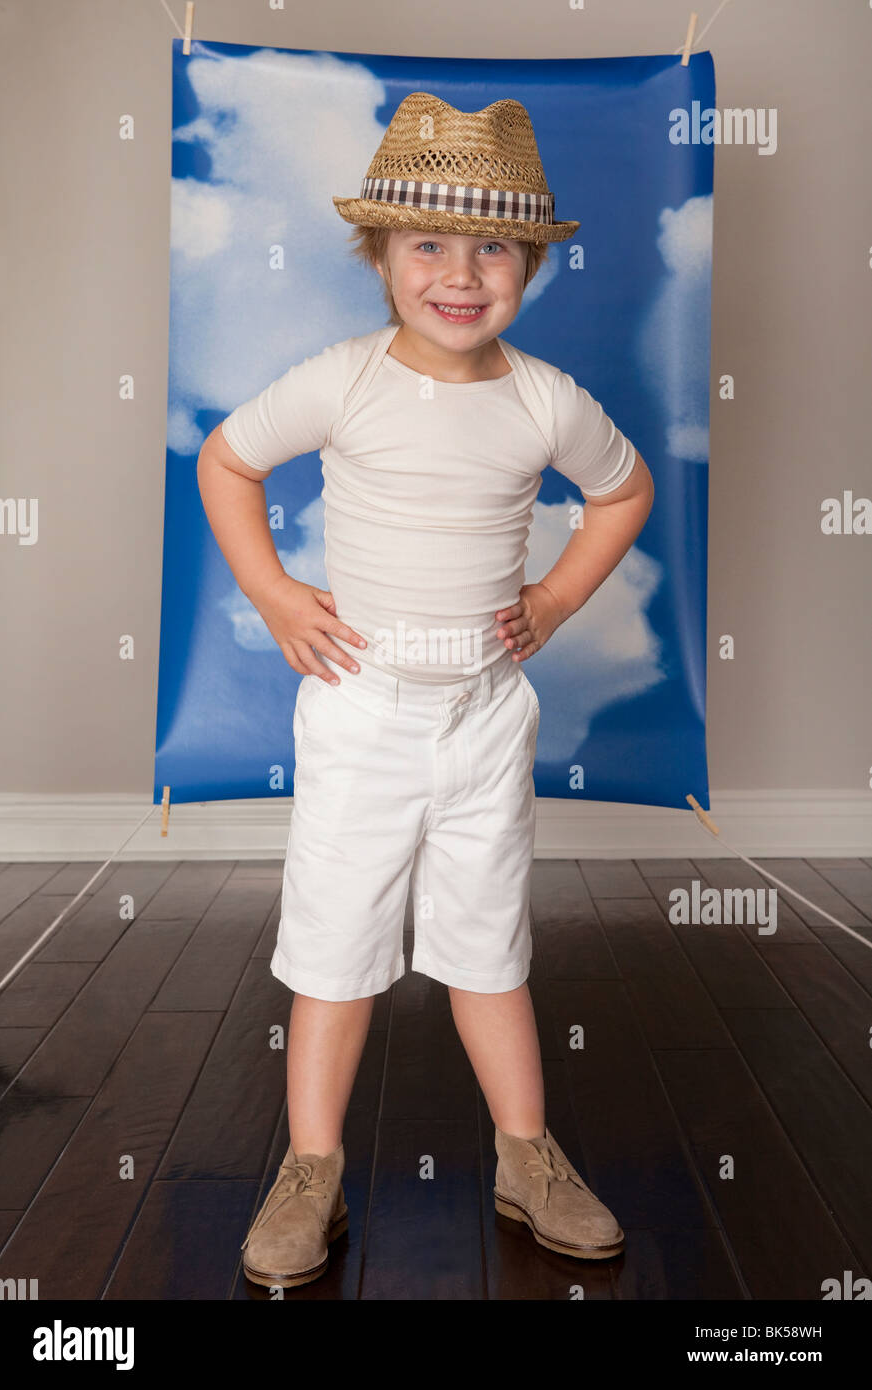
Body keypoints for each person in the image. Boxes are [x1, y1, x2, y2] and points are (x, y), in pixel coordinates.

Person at [197, 92, 654, 1290]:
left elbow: (622, 490)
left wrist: (550, 603)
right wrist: (281, 597)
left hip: (486, 711)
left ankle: (524, 1154)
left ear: (533, 263)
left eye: (492, 247)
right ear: (382, 255)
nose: (461, 274)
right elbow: (227, 458)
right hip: (362, 708)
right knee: (337, 946)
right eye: (428, 246)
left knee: (487, 941)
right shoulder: (343, 382)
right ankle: (309, 1169)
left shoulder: (543, 398)